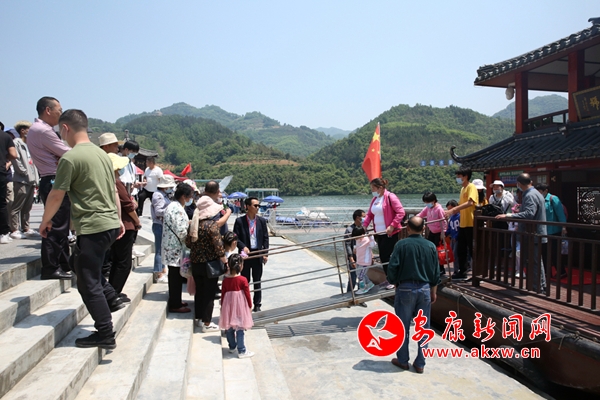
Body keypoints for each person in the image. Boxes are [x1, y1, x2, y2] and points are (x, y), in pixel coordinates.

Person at [39, 109, 125, 349]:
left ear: (65, 128)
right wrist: (117, 219)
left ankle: (105, 332)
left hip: (93, 226)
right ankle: (111, 298)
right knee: (80, 264)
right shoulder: (102, 156)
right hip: (109, 224)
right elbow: (112, 190)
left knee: (87, 281)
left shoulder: (70, 158)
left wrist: (45, 221)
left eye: (60, 131)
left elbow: (56, 194)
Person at [387, 216, 440, 374]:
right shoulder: (430, 246)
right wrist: (433, 291)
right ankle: (420, 363)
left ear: (407, 228)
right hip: (424, 288)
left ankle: (403, 360)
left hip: (405, 288)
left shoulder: (401, 244)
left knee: (402, 327)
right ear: (424, 228)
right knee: (424, 328)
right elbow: (435, 271)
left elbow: (392, 267)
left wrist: (394, 281)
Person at [27, 97, 72, 279]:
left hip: (50, 179)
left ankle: (63, 263)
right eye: (58, 110)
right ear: (48, 110)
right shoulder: (43, 130)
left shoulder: (37, 129)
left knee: (60, 224)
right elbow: (67, 152)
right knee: (56, 225)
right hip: (54, 179)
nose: (60, 113)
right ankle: (51, 267)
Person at [496, 173, 547, 292]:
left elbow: (529, 213)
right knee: (536, 260)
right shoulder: (535, 193)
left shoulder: (530, 195)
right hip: (536, 232)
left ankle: (536, 287)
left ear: (519, 184)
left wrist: (509, 215)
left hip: (533, 233)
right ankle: (540, 285)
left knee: (533, 261)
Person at [186, 195, 227, 332]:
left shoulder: (193, 224)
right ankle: (207, 323)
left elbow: (188, 243)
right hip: (210, 264)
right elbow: (218, 246)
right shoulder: (211, 226)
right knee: (209, 294)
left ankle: (199, 318)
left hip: (196, 263)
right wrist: (224, 260)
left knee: (199, 292)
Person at [107, 153, 142, 302]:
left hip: (116, 226)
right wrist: (137, 221)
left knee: (117, 260)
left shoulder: (108, 182)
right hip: (126, 226)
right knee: (123, 262)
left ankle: (113, 291)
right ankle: (114, 292)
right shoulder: (116, 182)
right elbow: (128, 205)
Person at [363, 178, 405, 290]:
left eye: (373, 188)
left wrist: (392, 225)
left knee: (387, 257)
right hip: (379, 233)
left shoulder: (390, 197)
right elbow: (369, 215)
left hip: (390, 233)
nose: (372, 190)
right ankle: (389, 279)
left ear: (380, 188)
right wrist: (364, 226)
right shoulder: (375, 199)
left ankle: (393, 280)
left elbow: (401, 212)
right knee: (383, 257)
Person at [162, 182, 194, 313]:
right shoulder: (177, 209)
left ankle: (176, 300)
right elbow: (181, 231)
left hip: (172, 247)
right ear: (183, 196)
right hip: (175, 248)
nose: (191, 199)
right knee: (175, 277)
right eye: (189, 196)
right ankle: (175, 304)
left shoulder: (173, 206)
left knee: (175, 276)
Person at [233, 196, 269, 312]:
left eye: (258, 205)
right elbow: (235, 238)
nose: (258, 207)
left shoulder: (262, 221)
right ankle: (244, 303)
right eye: (255, 205)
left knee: (257, 280)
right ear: (248, 206)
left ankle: (257, 304)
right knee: (245, 280)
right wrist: (243, 247)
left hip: (257, 253)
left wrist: (265, 253)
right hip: (245, 255)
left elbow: (265, 238)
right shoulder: (240, 221)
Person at [445, 167, 478, 280]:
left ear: (465, 176)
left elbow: (470, 202)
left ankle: (477, 273)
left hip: (470, 223)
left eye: (459, 176)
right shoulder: (462, 189)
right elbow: (460, 205)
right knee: (461, 249)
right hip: (462, 224)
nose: (457, 178)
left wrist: (454, 209)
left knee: (472, 249)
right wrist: (449, 212)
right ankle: (462, 271)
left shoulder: (471, 187)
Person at [8, 121, 39, 239]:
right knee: (17, 205)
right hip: (22, 179)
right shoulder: (16, 143)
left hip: (31, 179)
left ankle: (26, 228)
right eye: (29, 129)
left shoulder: (29, 144)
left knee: (28, 206)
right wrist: (24, 171)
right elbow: (16, 160)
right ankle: (14, 229)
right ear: (23, 130)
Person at [219, 254, 254, 358]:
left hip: (228, 306)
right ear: (241, 265)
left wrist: (222, 306)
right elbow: (247, 294)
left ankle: (232, 346)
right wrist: (250, 305)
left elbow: (223, 294)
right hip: (239, 306)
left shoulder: (225, 280)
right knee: (240, 327)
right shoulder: (243, 279)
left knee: (229, 327)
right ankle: (242, 350)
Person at [535, 183, 567, 276]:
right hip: (542, 230)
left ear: (545, 191)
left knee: (554, 252)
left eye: (540, 191)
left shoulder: (553, 199)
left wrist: (564, 226)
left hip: (553, 230)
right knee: (543, 252)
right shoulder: (538, 199)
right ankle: (546, 272)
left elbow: (560, 214)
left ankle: (561, 272)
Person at [151, 175, 176, 283]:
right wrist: (171, 210)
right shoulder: (158, 195)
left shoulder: (164, 195)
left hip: (163, 225)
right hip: (159, 224)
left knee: (162, 249)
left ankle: (162, 269)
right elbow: (158, 211)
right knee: (159, 250)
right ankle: (159, 273)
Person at [417, 192, 448, 274]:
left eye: (428, 202)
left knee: (438, 251)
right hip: (432, 232)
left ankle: (441, 269)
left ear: (434, 200)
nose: (427, 204)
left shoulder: (439, 209)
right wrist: (413, 219)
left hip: (439, 233)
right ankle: (433, 267)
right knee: (430, 249)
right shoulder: (428, 208)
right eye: (425, 202)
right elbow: (421, 214)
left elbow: (443, 221)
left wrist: (443, 233)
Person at [0, 127, 17, 244]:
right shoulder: (5, 136)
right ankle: (3, 233)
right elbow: (13, 154)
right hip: (1, 171)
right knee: (1, 203)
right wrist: (5, 159)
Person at [344, 209, 365, 293]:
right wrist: (351, 258)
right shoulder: (349, 230)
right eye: (363, 217)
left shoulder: (363, 228)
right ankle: (349, 295)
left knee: (361, 277)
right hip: (354, 257)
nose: (364, 219)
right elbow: (348, 245)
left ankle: (360, 293)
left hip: (362, 257)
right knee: (353, 277)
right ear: (357, 218)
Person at [353, 226, 375, 296]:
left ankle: (363, 288)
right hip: (359, 260)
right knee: (358, 273)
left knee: (361, 276)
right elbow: (357, 246)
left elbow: (372, 245)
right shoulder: (357, 240)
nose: (355, 238)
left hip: (365, 262)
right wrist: (355, 248)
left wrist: (371, 237)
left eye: (356, 236)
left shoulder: (366, 239)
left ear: (362, 234)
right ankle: (369, 284)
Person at [445, 200, 460, 274]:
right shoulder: (451, 217)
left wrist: (457, 236)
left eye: (451, 209)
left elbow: (461, 228)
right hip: (452, 238)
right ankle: (456, 269)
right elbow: (450, 228)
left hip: (458, 238)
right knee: (452, 254)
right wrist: (445, 234)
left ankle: (457, 270)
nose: (450, 211)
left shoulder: (460, 216)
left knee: (456, 254)